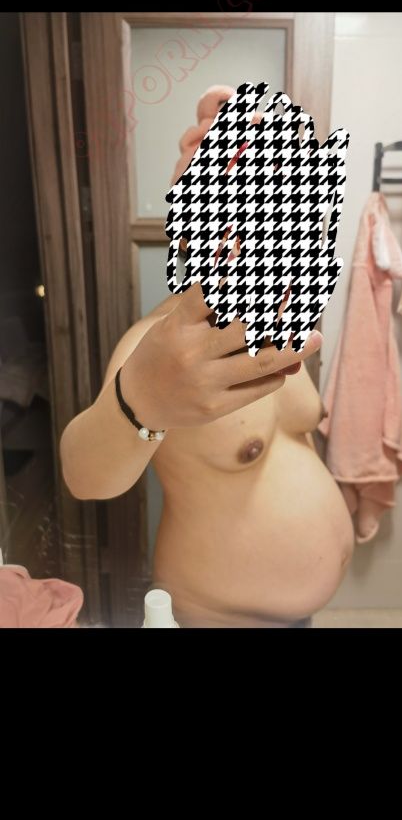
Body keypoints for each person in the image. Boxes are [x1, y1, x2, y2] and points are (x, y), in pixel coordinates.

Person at [60, 87, 355, 628]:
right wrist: (139, 399)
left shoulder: (277, 321)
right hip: (216, 615)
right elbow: (84, 477)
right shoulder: (158, 347)